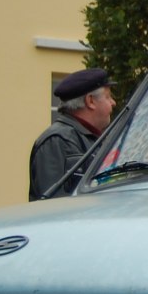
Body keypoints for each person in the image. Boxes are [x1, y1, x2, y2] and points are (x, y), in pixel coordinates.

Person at [28, 68, 116, 200]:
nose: (113, 103)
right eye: (108, 97)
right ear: (90, 101)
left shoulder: (95, 138)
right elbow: (54, 206)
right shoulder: (57, 141)